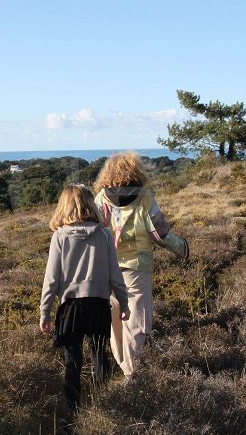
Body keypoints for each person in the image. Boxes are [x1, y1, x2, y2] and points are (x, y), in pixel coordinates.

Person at [40, 184, 130, 429]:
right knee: (101, 356)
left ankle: (71, 415)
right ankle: (105, 407)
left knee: (73, 362)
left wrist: (45, 312)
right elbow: (115, 276)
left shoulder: (59, 237)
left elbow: (52, 279)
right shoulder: (103, 235)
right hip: (98, 305)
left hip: (70, 308)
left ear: (64, 206)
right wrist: (124, 303)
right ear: (91, 204)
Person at [94, 152, 189, 379]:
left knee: (114, 319)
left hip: (107, 268)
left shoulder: (100, 199)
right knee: (136, 319)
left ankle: (124, 366)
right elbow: (160, 233)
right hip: (137, 267)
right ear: (135, 171)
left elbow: (95, 233)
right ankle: (132, 373)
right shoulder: (145, 197)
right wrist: (182, 248)